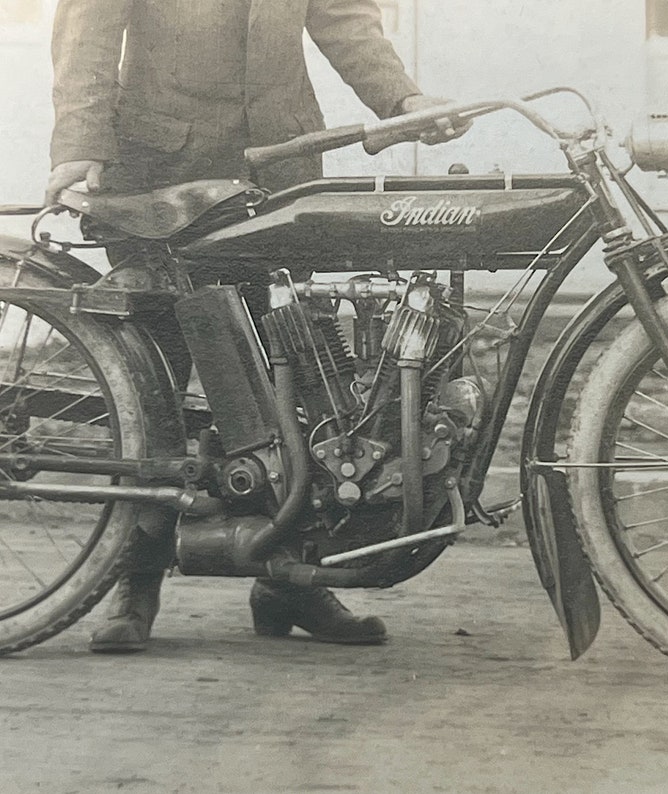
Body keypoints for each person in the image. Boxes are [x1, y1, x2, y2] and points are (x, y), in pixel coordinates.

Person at [46, 0, 465, 653]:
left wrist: (402, 100)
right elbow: (89, 28)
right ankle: (135, 577)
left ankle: (289, 579)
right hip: (160, 177)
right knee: (152, 394)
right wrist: (78, 147)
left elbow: (342, 13)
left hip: (278, 176)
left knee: (291, 382)